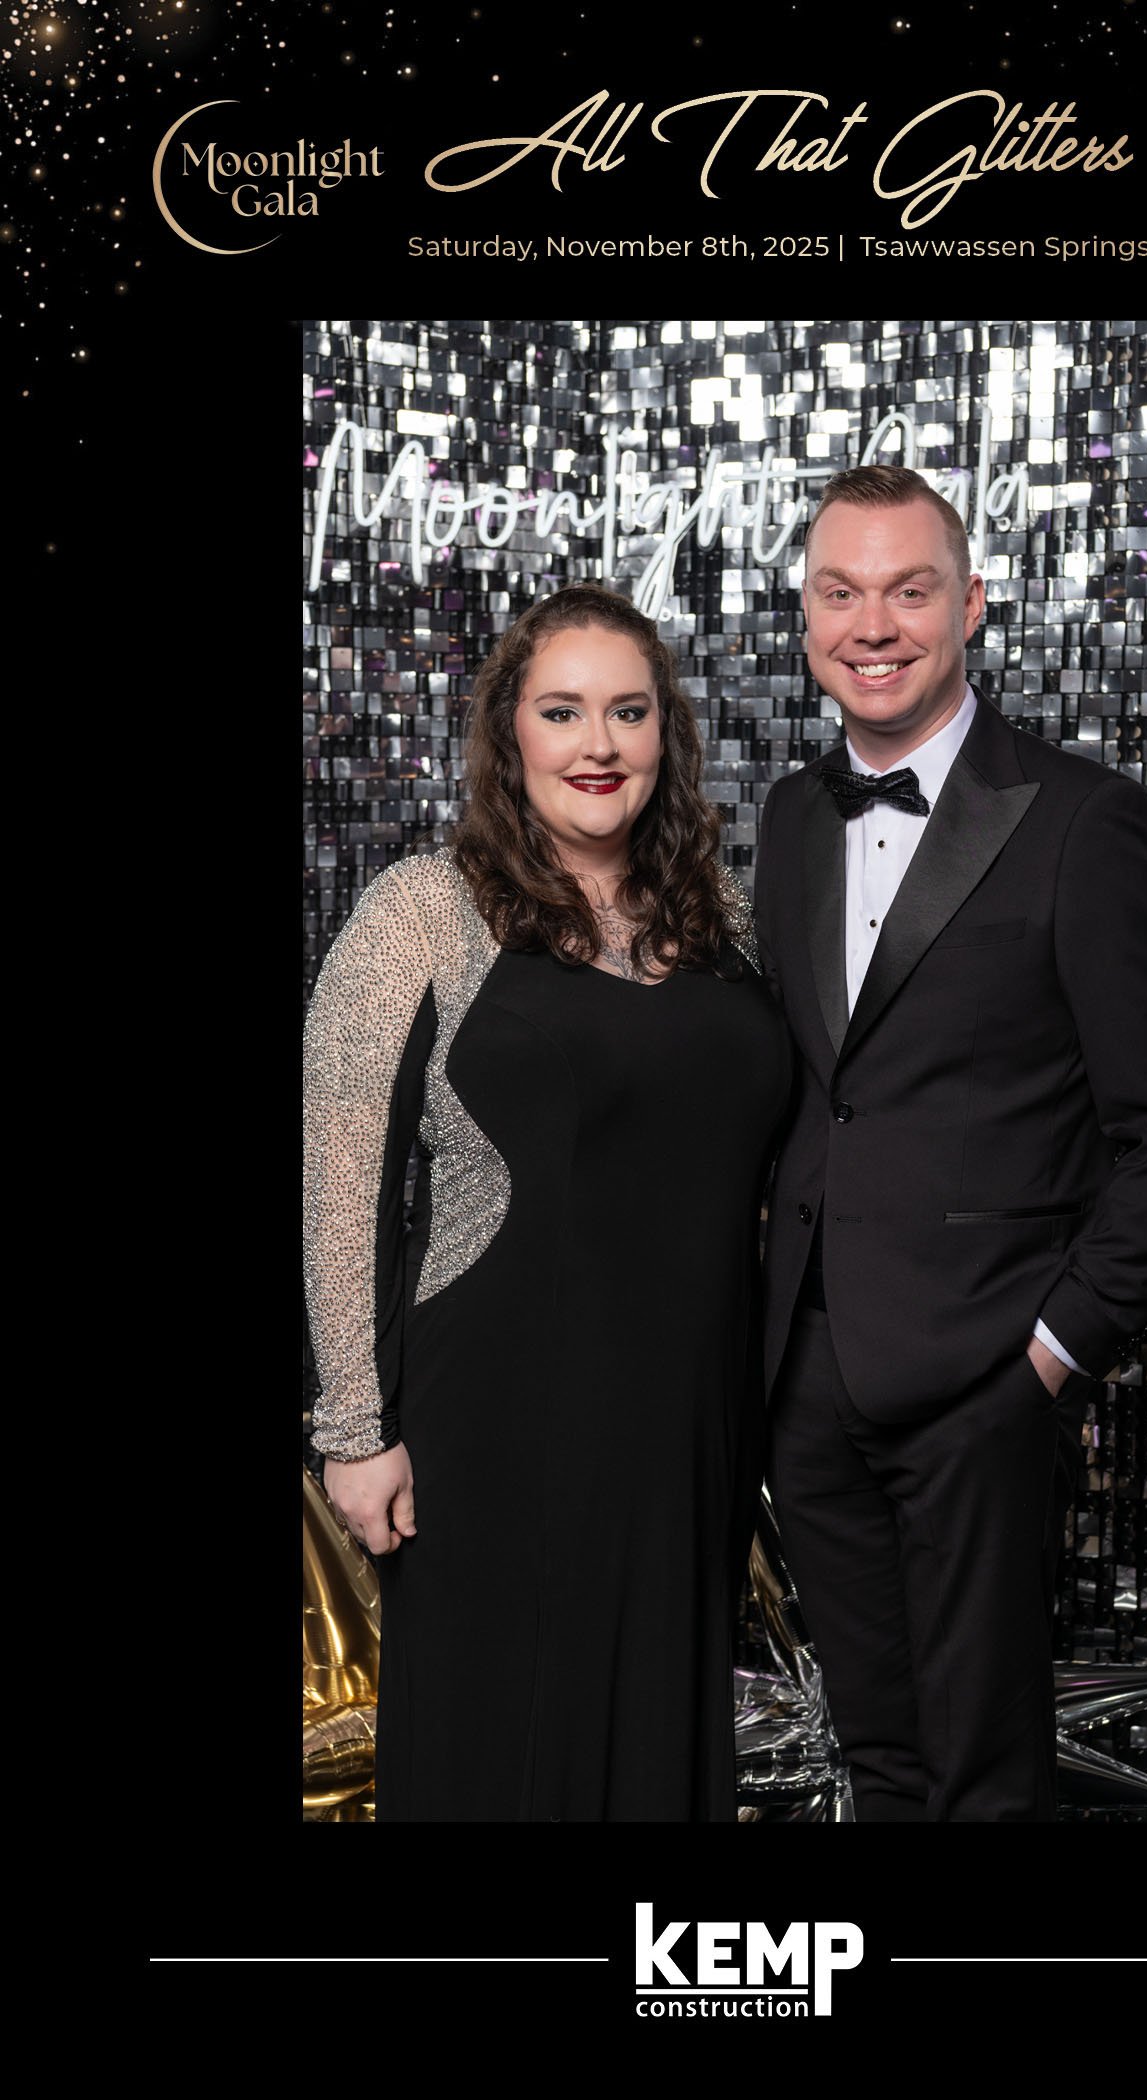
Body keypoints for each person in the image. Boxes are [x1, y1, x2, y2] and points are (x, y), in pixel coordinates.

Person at [753, 465, 1147, 1823]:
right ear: (805, 617)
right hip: (808, 1377)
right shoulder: (789, 818)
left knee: (986, 1787)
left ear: (974, 605)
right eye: (841, 592)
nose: (872, 625)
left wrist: (1050, 1356)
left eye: (910, 590)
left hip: (984, 1380)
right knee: (876, 1769)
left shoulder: (1083, 821)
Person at [303, 583, 791, 1822]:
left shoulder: (723, 919)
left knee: (658, 1753)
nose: (598, 744)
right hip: (496, 1427)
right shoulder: (423, 910)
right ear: (508, 733)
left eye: (629, 711)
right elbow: (341, 1176)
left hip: (688, 1435)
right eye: (563, 711)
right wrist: (355, 1431)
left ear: (666, 734)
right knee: (500, 1754)